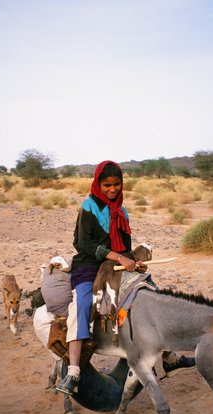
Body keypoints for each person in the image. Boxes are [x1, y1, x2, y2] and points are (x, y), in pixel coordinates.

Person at [56, 160, 195, 395]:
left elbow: (125, 248)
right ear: (98, 184)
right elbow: (83, 243)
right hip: (89, 266)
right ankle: (73, 372)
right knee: (80, 304)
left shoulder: (122, 211)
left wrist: (132, 263)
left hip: (115, 265)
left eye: (116, 185)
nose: (112, 189)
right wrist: (119, 259)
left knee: (152, 292)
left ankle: (170, 357)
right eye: (107, 185)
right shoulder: (88, 207)